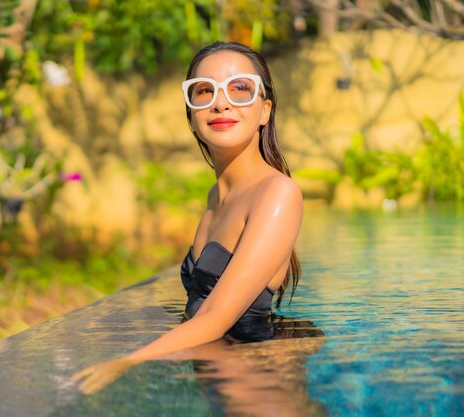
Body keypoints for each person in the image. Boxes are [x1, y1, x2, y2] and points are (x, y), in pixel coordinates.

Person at [72, 41, 304, 395]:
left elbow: (215, 319)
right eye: (204, 91)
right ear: (192, 117)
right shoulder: (216, 197)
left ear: (264, 111)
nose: (221, 102)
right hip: (219, 381)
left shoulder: (277, 193)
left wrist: (127, 362)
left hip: (255, 393)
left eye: (240, 89)